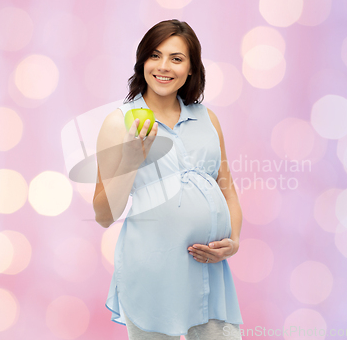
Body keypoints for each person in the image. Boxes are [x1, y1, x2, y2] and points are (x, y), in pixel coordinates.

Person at [93, 19, 243, 340]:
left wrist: (233, 242)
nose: (164, 67)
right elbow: (104, 214)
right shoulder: (119, 123)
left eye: (176, 58)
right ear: (143, 61)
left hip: (209, 273)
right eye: (155, 56)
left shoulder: (207, 118)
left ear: (191, 68)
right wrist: (132, 158)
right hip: (152, 277)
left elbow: (226, 187)